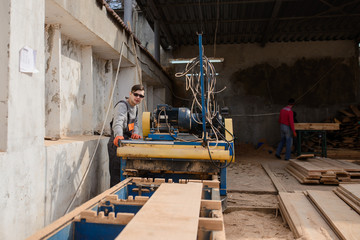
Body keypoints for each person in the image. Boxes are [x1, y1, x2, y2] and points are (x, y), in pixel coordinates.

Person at [107, 84, 145, 187]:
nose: (138, 98)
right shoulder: (122, 105)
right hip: (117, 142)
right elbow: (118, 122)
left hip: (127, 142)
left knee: (126, 172)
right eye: (136, 94)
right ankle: (114, 196)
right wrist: (118, 135)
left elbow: (136, 123)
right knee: (116, 173)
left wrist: (136, 134)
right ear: (130, 94)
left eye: (141, 96)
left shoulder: (136, 108)